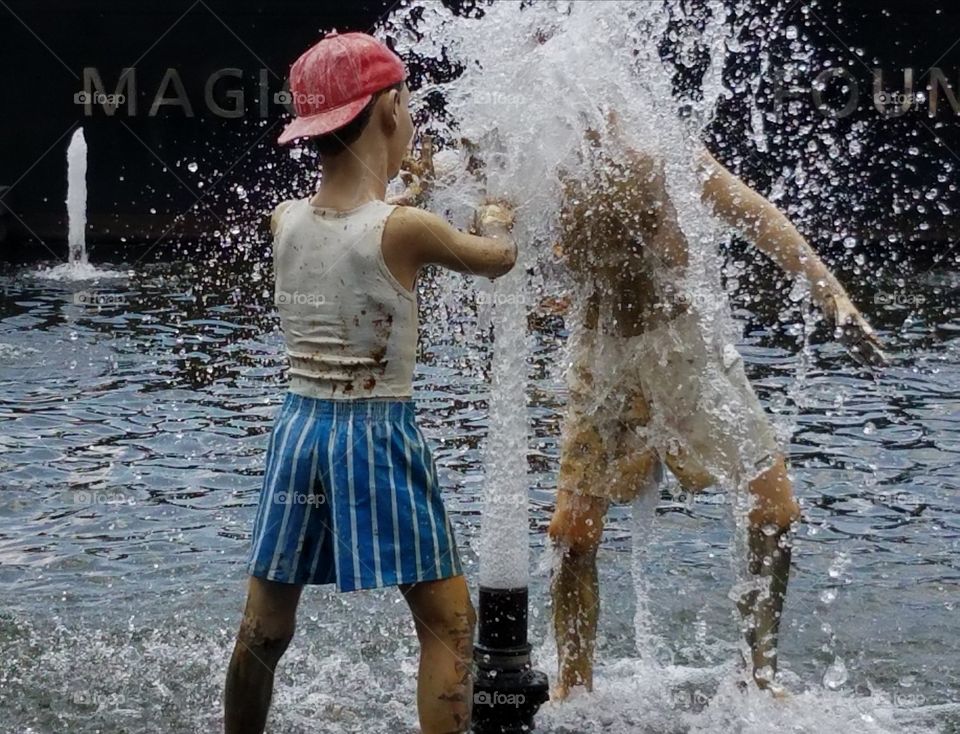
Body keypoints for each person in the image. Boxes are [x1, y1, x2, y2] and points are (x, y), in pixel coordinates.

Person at [223, 31, 517, 734]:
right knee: (448, 624)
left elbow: (359, 224)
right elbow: (496, 258)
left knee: (265, 624)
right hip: (375, 435)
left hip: (298, 435)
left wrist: (407, 186)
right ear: (387, 108)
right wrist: (496, 216)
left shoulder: (284, 219)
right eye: (406, 103)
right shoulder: (407, 228)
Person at [546, 112, 885, 699]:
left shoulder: (662, 145)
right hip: (600, 357)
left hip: (686, 351)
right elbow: (482, 214)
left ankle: (760, 678)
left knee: (775, 511)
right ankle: (572, 690)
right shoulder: (543, 157)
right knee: (572, 534)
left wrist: (833, 299)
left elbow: (758, 217)